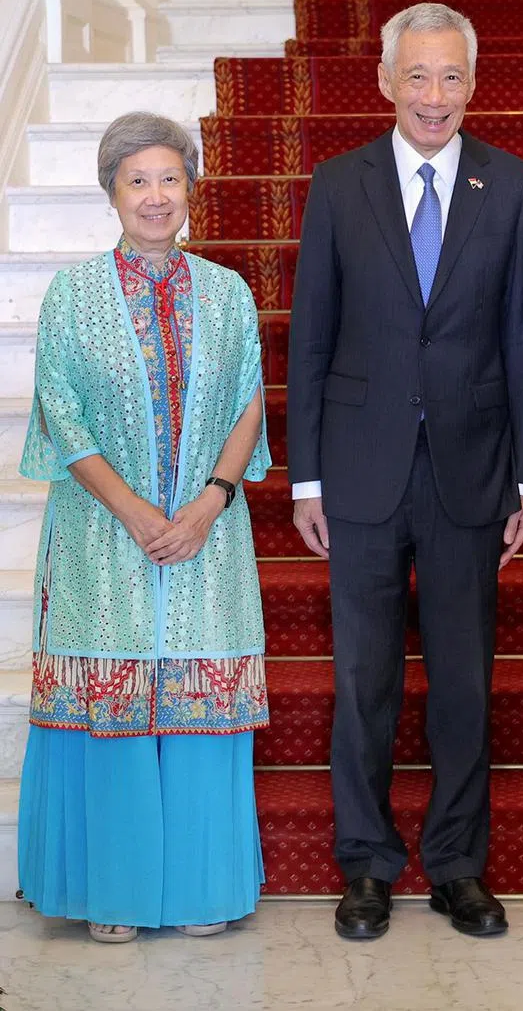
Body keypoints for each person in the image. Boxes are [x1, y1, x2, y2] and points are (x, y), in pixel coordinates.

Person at [287, 2, 523, 940]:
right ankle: (365, 865)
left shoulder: (511, 185)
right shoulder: (336, 184)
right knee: (363, 681)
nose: (433, 97)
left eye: (451, 77)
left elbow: (522, 336)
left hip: (471, 474)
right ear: (386, 81)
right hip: (357, 475)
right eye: (417, 76)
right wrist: (305, 478)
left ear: (473, 84)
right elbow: (311, 335)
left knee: (464, 682)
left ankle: (456, 865)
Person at [17, 112, 271, 943]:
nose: (156, 197)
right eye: (138, 181)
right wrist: (133, 510)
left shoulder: (228, 293)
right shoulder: (72, 294)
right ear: (112, 193)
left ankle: (201, 886)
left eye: (169, 179)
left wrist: (208, 502)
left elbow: (247, 405)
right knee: (113, 704)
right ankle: (112, 890)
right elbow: (61, 412)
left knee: (198, 702)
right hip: (101, 532)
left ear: (191, 189)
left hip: (208, 532)